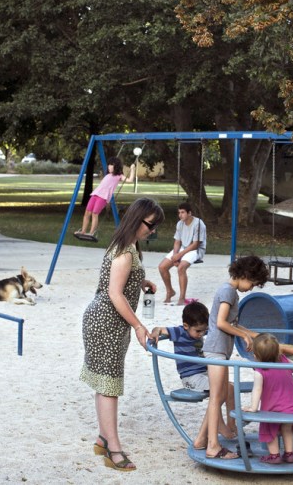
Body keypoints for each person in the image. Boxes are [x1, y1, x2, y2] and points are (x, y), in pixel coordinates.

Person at [79, 197, 164, 472]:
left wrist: (141, 282)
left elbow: (120, 280)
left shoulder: (127, 245)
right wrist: (139, 326)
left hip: (108, 322)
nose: (153, 231)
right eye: (151, 225)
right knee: (109, 386)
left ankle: (103, 438)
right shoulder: (125, 252)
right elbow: (115, 293)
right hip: (106, 322)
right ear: (137, 219)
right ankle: (113, 449)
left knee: (106, 383)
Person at [193, 255, 269, 460]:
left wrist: (254, 335)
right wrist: (244, 335)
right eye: (252, 283)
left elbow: (232, 324)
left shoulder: (231, 292)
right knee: (216, 398)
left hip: (221, 350)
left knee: (217, 397)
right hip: (216, 350)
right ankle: (213, 446)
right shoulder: (228, 291)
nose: (251, 288)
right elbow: (221, 323)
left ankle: (201, 440)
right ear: (244, 275)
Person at [150, 301, 237, 438]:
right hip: (191, 378)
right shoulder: (179, 332)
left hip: (204, 373)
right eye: (198, 331)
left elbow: (216, 329)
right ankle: (219, 424)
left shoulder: (199, 330)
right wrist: (155, 331)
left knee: (230, 388)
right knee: (218, 390)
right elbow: (159, 329)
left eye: (203, 330)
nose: (201, 334)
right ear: (186, 325)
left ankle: (232, 423)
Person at [243, 333, 293, 464]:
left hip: (273, 409)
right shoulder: (283, 360)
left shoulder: (260, 371)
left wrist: (253, 408)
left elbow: (257, 390)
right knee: (287, 429)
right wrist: (282, 357)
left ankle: (274, 456)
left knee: (268, 429)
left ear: (255, 356)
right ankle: (290, 454)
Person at [158, 202, 207, 305]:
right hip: (183, 248)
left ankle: (182, 297)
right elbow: (177, 241)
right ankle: (170, 291)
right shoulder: (180, 223)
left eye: (183, 212)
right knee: (162, 267)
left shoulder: (198, 223)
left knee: (181, 267)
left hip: (196, 250)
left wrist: (179, 256)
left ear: (189, 213)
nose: (180, 215)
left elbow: (195, 244)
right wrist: (175, 256)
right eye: (179, 212)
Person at [75, 158, 135, 240]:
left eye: (111, 165)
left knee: (94, 213)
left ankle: (91, 233)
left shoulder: (119, 176)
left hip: (103, 197)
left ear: (116, 166)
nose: (109, 166)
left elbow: (130, 180)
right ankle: (83, 231)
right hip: (95, 194)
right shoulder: (107, 175)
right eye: (109, 165)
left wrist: (132, 169)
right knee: (87, 213)